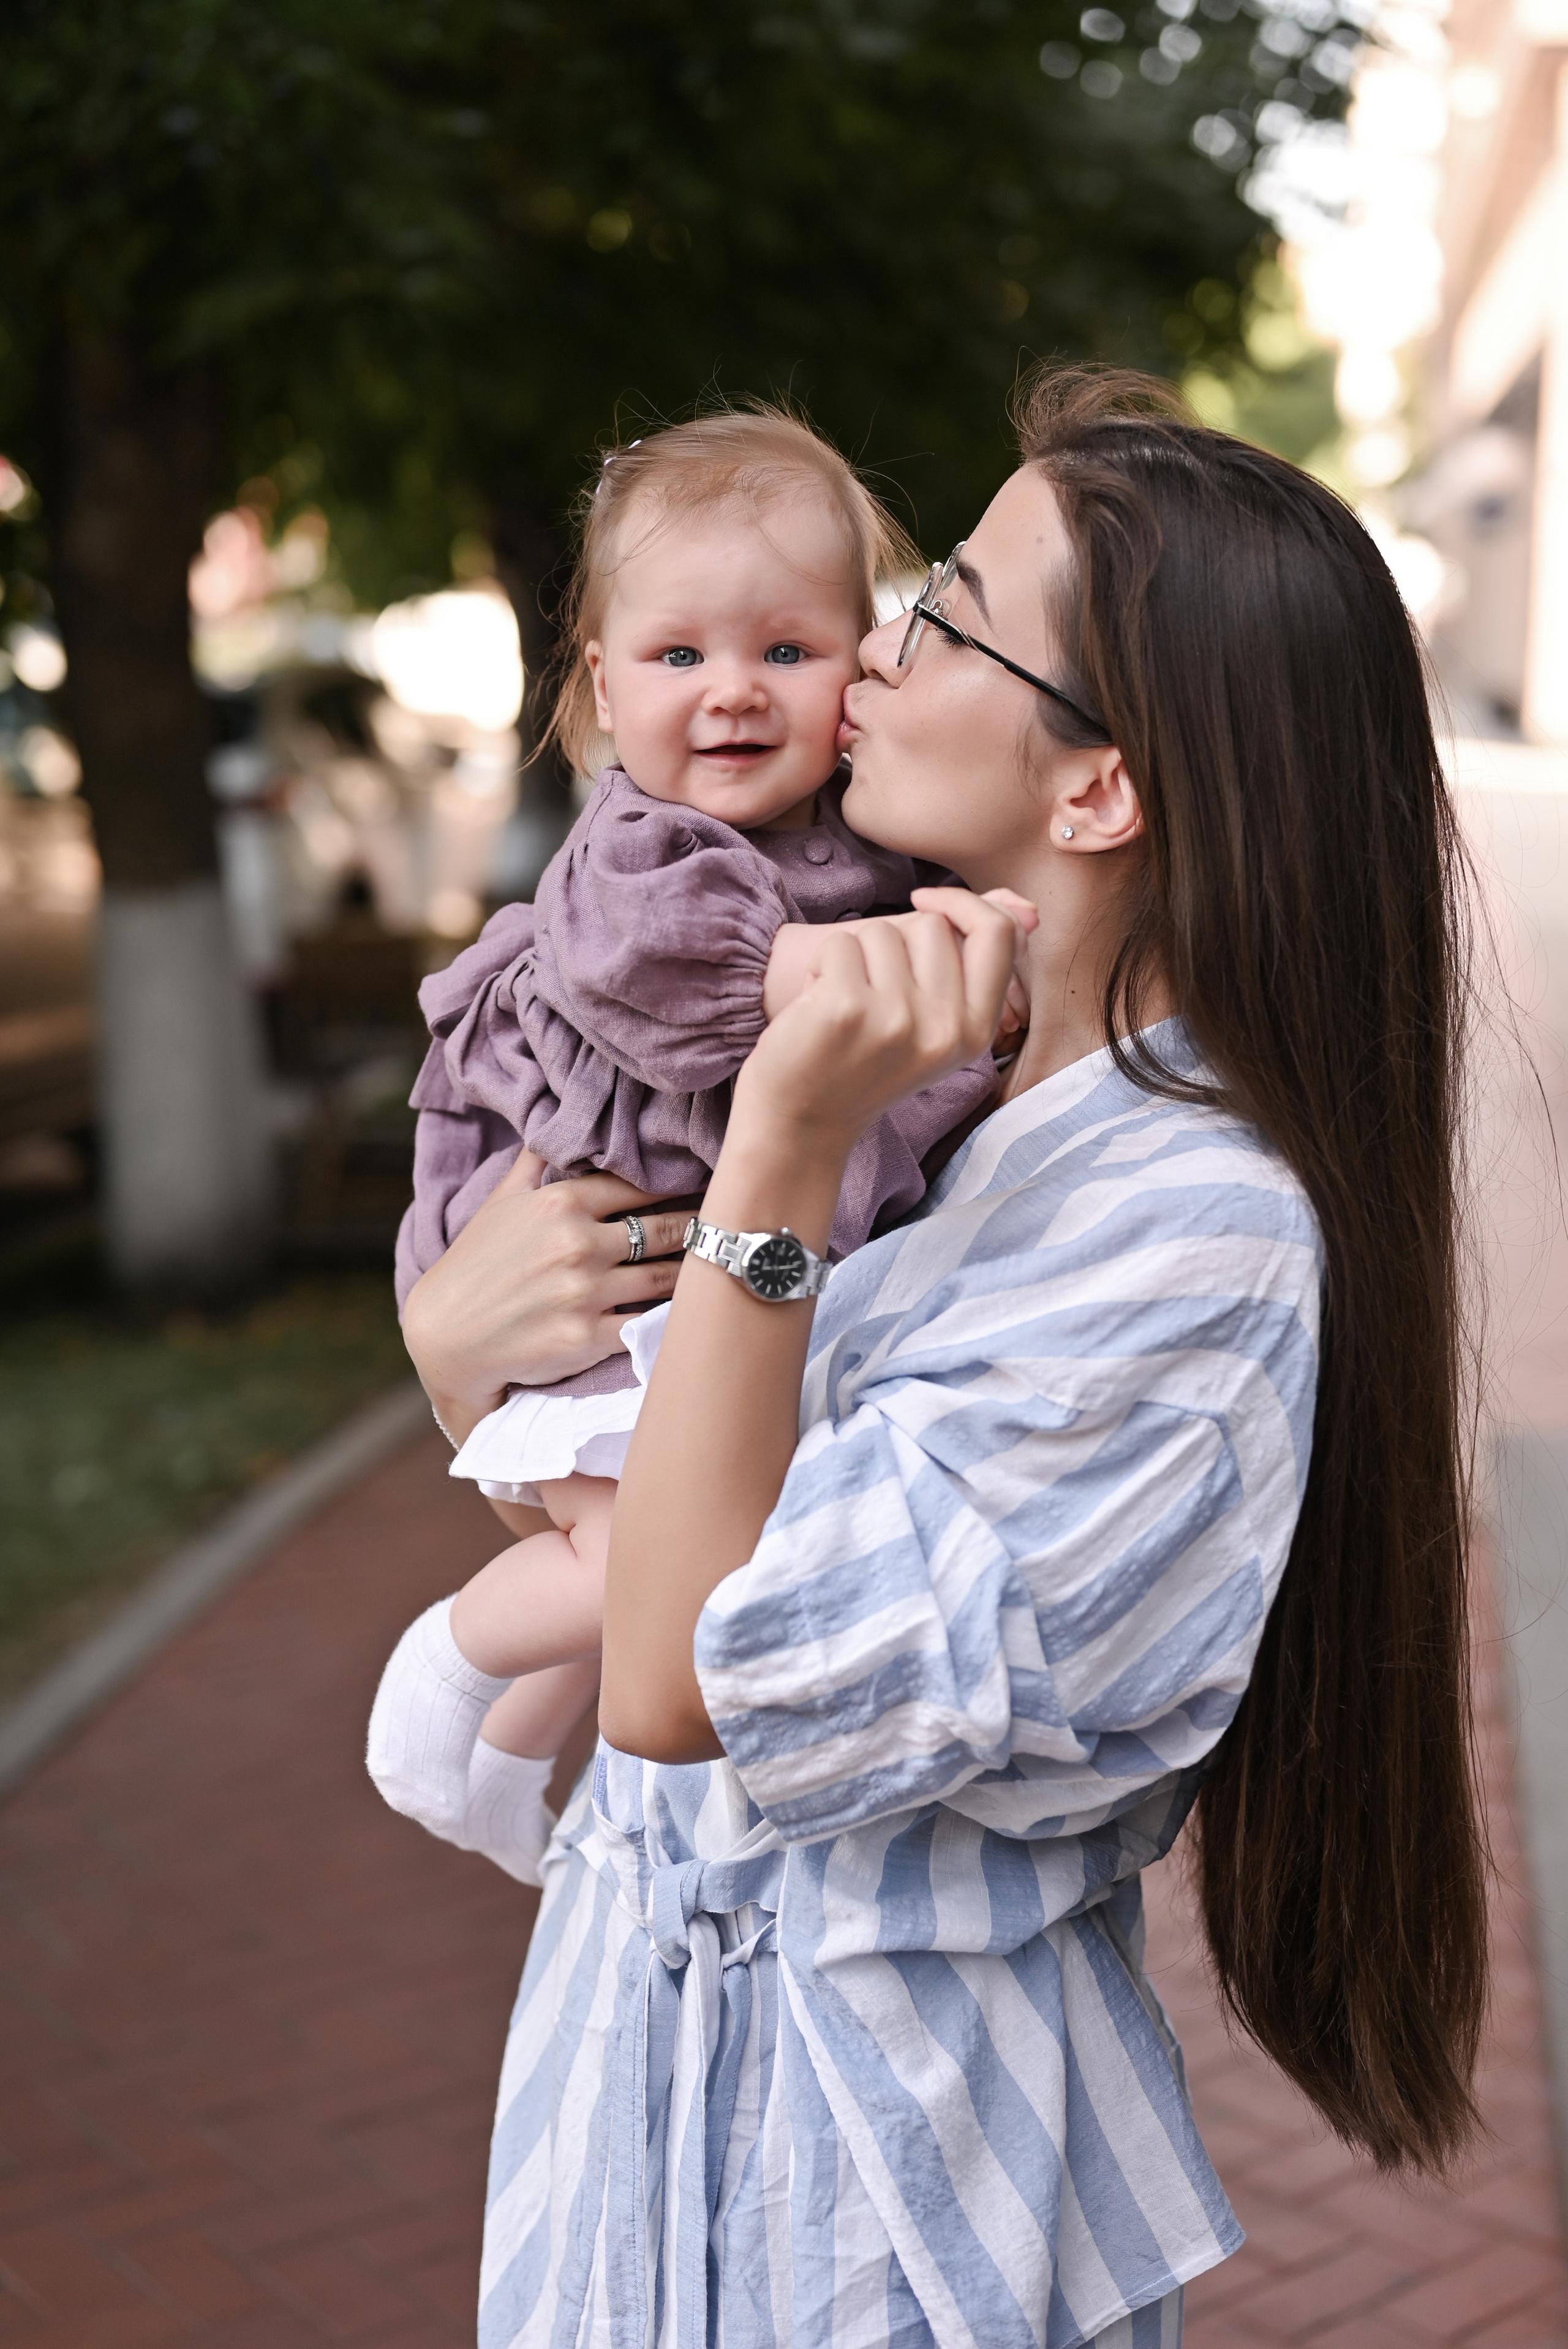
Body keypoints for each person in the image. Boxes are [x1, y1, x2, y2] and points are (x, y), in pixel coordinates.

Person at [396, 368, 1488, 2349]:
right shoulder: (966, 1106)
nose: (874, 653)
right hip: (644, 2119)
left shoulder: (1190, 1231)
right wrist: (457, 1354)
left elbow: (682, 1671)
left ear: (1098, 790)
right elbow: (664, 1495)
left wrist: (778, 1152)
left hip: (864, 2204)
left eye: (947, 613)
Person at [375, 414, 1009, 1781]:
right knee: (635, 1555)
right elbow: (661, 969)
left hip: (695, 1272)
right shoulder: (637, 848)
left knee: (643, 1554)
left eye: (786, 651)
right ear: (602, 687)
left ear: (861, 666)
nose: (733, 694)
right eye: (680, 657)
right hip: (591, 1243)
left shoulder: (866, 834)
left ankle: (509, 1764)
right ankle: (443, 1670)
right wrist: (835, 970)